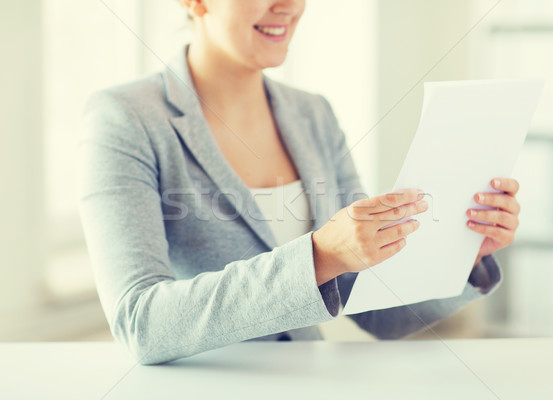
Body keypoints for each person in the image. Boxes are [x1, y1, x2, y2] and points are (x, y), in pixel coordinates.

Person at [77, 0, 520, 365]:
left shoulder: (313, 114)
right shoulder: (125, 118)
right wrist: (321, 256)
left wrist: (462, 256)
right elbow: (141, 322)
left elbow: (376, 311)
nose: (288, 6)